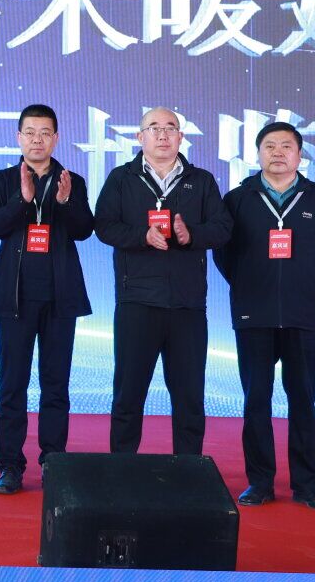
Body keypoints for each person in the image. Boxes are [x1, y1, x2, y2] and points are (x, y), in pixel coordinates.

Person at [214, 122, 315, 510]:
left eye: (286, 146)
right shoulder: (238, 199)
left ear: (300, 155)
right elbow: (224, 254)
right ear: (258, 154)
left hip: (304, 314)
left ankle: (307, 485)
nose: (278, 152)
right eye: (269, 146)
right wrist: (251, 283)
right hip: (254, 313)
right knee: (256, 399)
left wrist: (310, 289)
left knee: (303, 400)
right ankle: (260, 482)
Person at [94, 107, 231, 455]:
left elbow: (223, 228)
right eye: (154, 128)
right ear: (140, 137)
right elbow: (104, 226)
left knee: (189, 396)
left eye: (170, 128)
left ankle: (189, 470)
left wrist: (191, 235)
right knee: (128, 394)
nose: (162, 134)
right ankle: (122, 470)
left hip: (187, 305)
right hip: (137, 301)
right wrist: (141, 236)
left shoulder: (201, 181)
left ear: (181, 137)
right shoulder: (122, 179)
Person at [0, 103, 95, 495]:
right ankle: (10, 466)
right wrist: (22, 199)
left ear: (56, 138)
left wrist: (64, 203)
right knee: (12, 384)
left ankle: (53, 461)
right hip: (15, 297)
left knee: (55, 384)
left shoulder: (71, 180)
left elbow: (84, 229)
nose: (37, 140)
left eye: (45, 133)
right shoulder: (2, 180)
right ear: (18, 137)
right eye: (30, 132)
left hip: (60, 297)